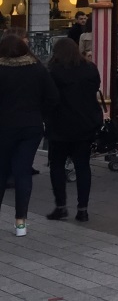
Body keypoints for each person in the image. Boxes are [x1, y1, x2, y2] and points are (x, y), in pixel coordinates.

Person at [0, 31, 57, 236]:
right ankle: (20, 222)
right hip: (31, 126)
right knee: (23, 171)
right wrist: (39, 114)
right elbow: (52, 97)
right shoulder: (37, 69)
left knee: (2, 170)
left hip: (4, 126)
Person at [45, 37, 102, 222]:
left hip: (60, 125)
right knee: (83, 166)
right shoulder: (90, 69)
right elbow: (95, 88)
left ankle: (60, 206)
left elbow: (49, 98)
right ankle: (83, 209)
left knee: (57, 166)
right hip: (84, 124)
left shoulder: (53, 71)